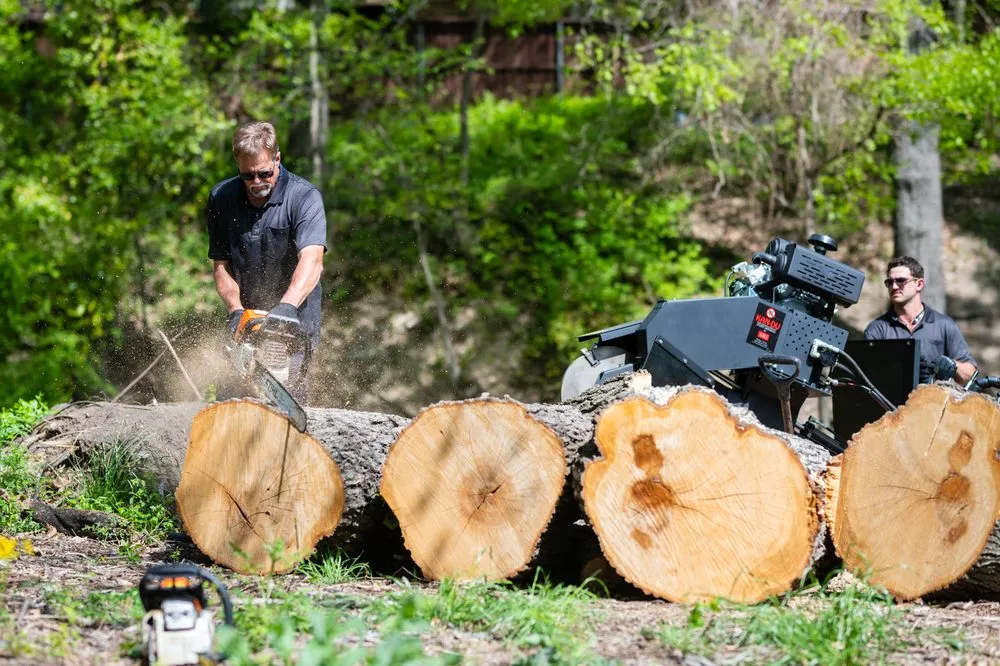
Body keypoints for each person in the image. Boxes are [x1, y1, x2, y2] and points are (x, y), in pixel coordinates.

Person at [206, 121, 327, 401]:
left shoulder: (303, 197)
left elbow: (313, 259)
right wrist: (236, 310)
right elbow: (221, 265)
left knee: (285, 402)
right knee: (232, 402)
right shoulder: (222, 198)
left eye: (264, 173)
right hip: (247, 322)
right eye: (248, 176)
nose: (257, 182)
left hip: (293, 322)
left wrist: (287, 306)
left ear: (277, 159)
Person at [864, 256, 976, 385]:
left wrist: (952, 365)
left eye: (901, 280)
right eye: (889, 282)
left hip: (935, 403)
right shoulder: (877, 329)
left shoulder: (944, 325)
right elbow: (869, 376)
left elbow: (970, 375)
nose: (894, 286)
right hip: (890, 404)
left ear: (919, 284)